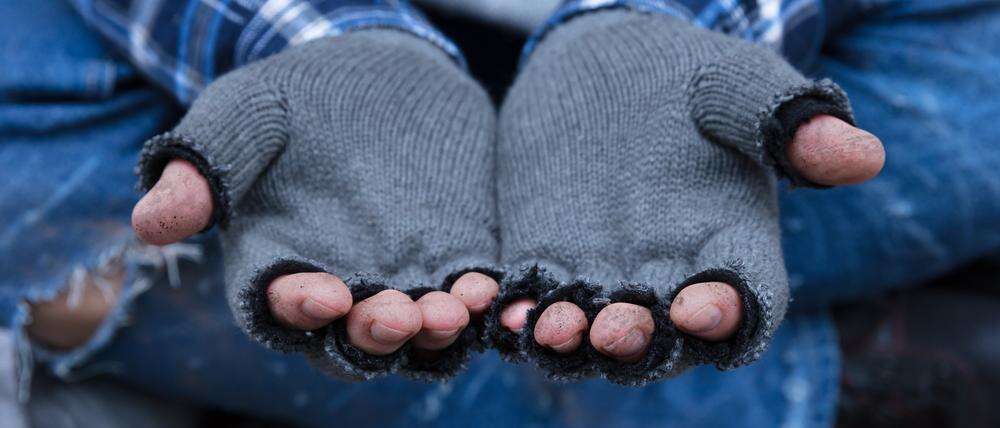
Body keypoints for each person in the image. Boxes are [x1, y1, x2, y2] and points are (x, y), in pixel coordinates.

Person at [2, 0, 998, 426]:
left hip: (768, 37)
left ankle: (578, 333)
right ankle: (791, 388)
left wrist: (654, 32)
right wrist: (312, 42)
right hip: (265, 52)